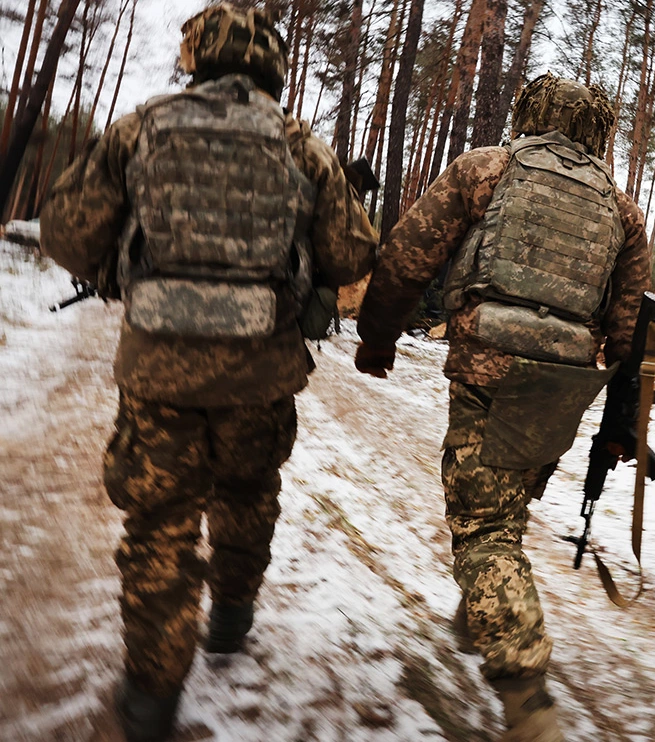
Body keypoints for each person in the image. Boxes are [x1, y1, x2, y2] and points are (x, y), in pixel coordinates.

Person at [39, 4, 377, 739]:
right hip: (262, 375)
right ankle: (229, 616)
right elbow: (354, 253)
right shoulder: (301, 144)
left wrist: (113, 267)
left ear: (197, 54)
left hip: (159, 370)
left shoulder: (142, 127)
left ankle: (153, 691)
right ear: (272, 64)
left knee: (160, 522)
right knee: (248, 492)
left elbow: (64, 230)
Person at [354, 73, 650, 741]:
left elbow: (406, 258)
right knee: (503, 508)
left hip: (489, 366)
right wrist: (617, 418)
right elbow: (629, 336)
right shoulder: (623, 213)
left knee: (484, 529)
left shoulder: (486, 168)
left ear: (530, 111)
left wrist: (376, 336)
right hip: (561, 388)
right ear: (600, 129)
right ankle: (479, 611)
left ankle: (526, 698)